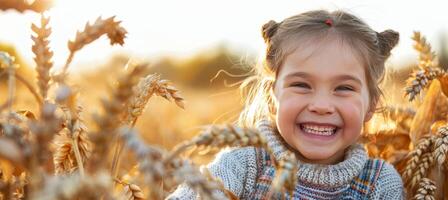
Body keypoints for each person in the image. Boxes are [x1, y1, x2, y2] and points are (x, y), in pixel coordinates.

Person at [168, 9, 405, 199]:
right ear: (273, 97)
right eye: (301, 85)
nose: (321, 105)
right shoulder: (243, 165)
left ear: (371, 105)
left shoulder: (380, 184)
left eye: (343, 88)